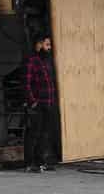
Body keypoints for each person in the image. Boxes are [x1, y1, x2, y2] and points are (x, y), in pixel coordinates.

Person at [24, 33, 57, 173]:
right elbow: (26, 83)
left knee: (45, 133)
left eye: (49, 45)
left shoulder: (47, 61)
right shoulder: (32, 61)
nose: (49, 48)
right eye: (46, 45)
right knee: (34, 133)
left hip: (48, 103)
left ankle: (41, 162)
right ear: (38, 45)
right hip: (37, 104)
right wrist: (33, 102)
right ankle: (30, 163)